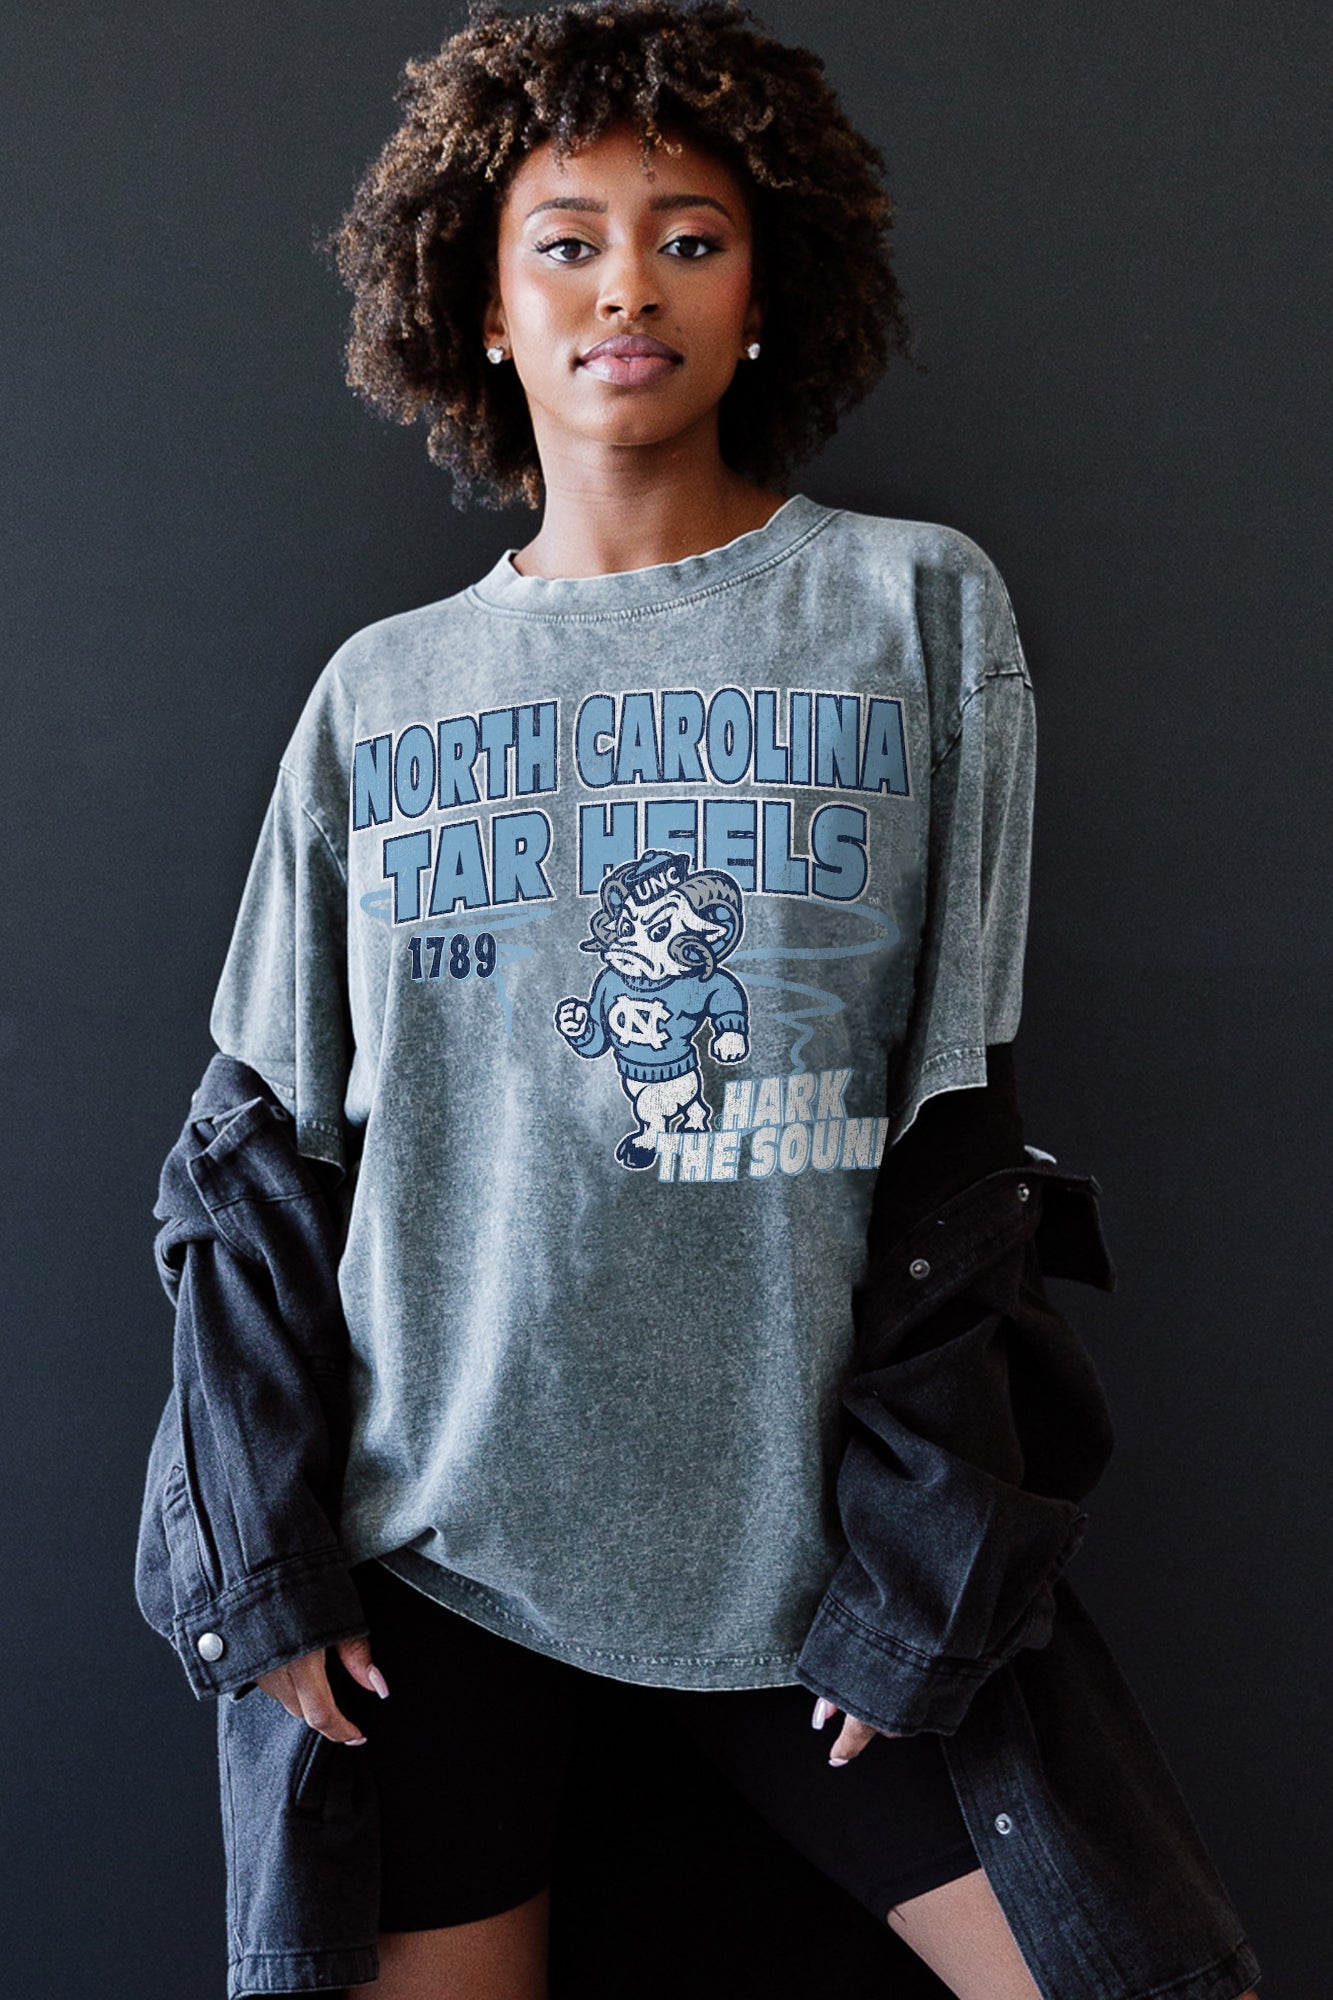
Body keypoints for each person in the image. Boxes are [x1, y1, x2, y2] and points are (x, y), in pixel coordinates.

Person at [171, 4, 1261, 1996]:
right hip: (438, 1568)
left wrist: (921, 1572)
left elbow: (958, 1135)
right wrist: (255, 1566)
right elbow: (251, 1165)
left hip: (814, 1562)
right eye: (565, 240)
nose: (627, 287)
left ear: (766, 293)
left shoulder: (912, 610)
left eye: (689, 237)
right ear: (479, 303)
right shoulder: (381, 695)